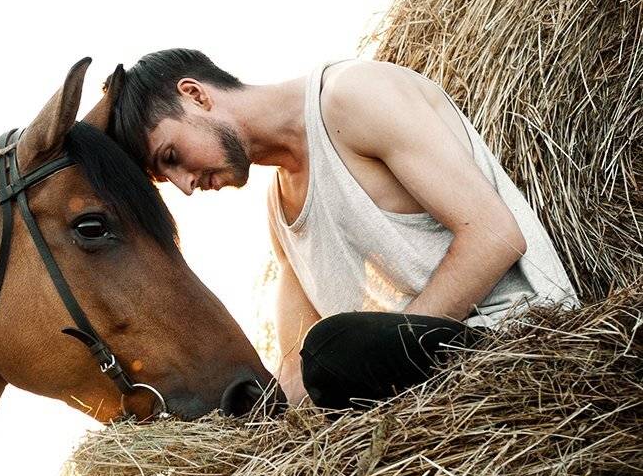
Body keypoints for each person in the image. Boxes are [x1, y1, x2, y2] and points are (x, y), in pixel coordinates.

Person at [108, 49, 578, 407]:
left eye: (170, 157)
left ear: (195, 95)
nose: (184, 185)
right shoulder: (279, 210)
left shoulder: (352, 97)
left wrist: (387, 344)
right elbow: (293, 363)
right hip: (418, 389)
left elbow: (496, 235)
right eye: (166, 179)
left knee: (333, 349)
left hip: (515, 342)